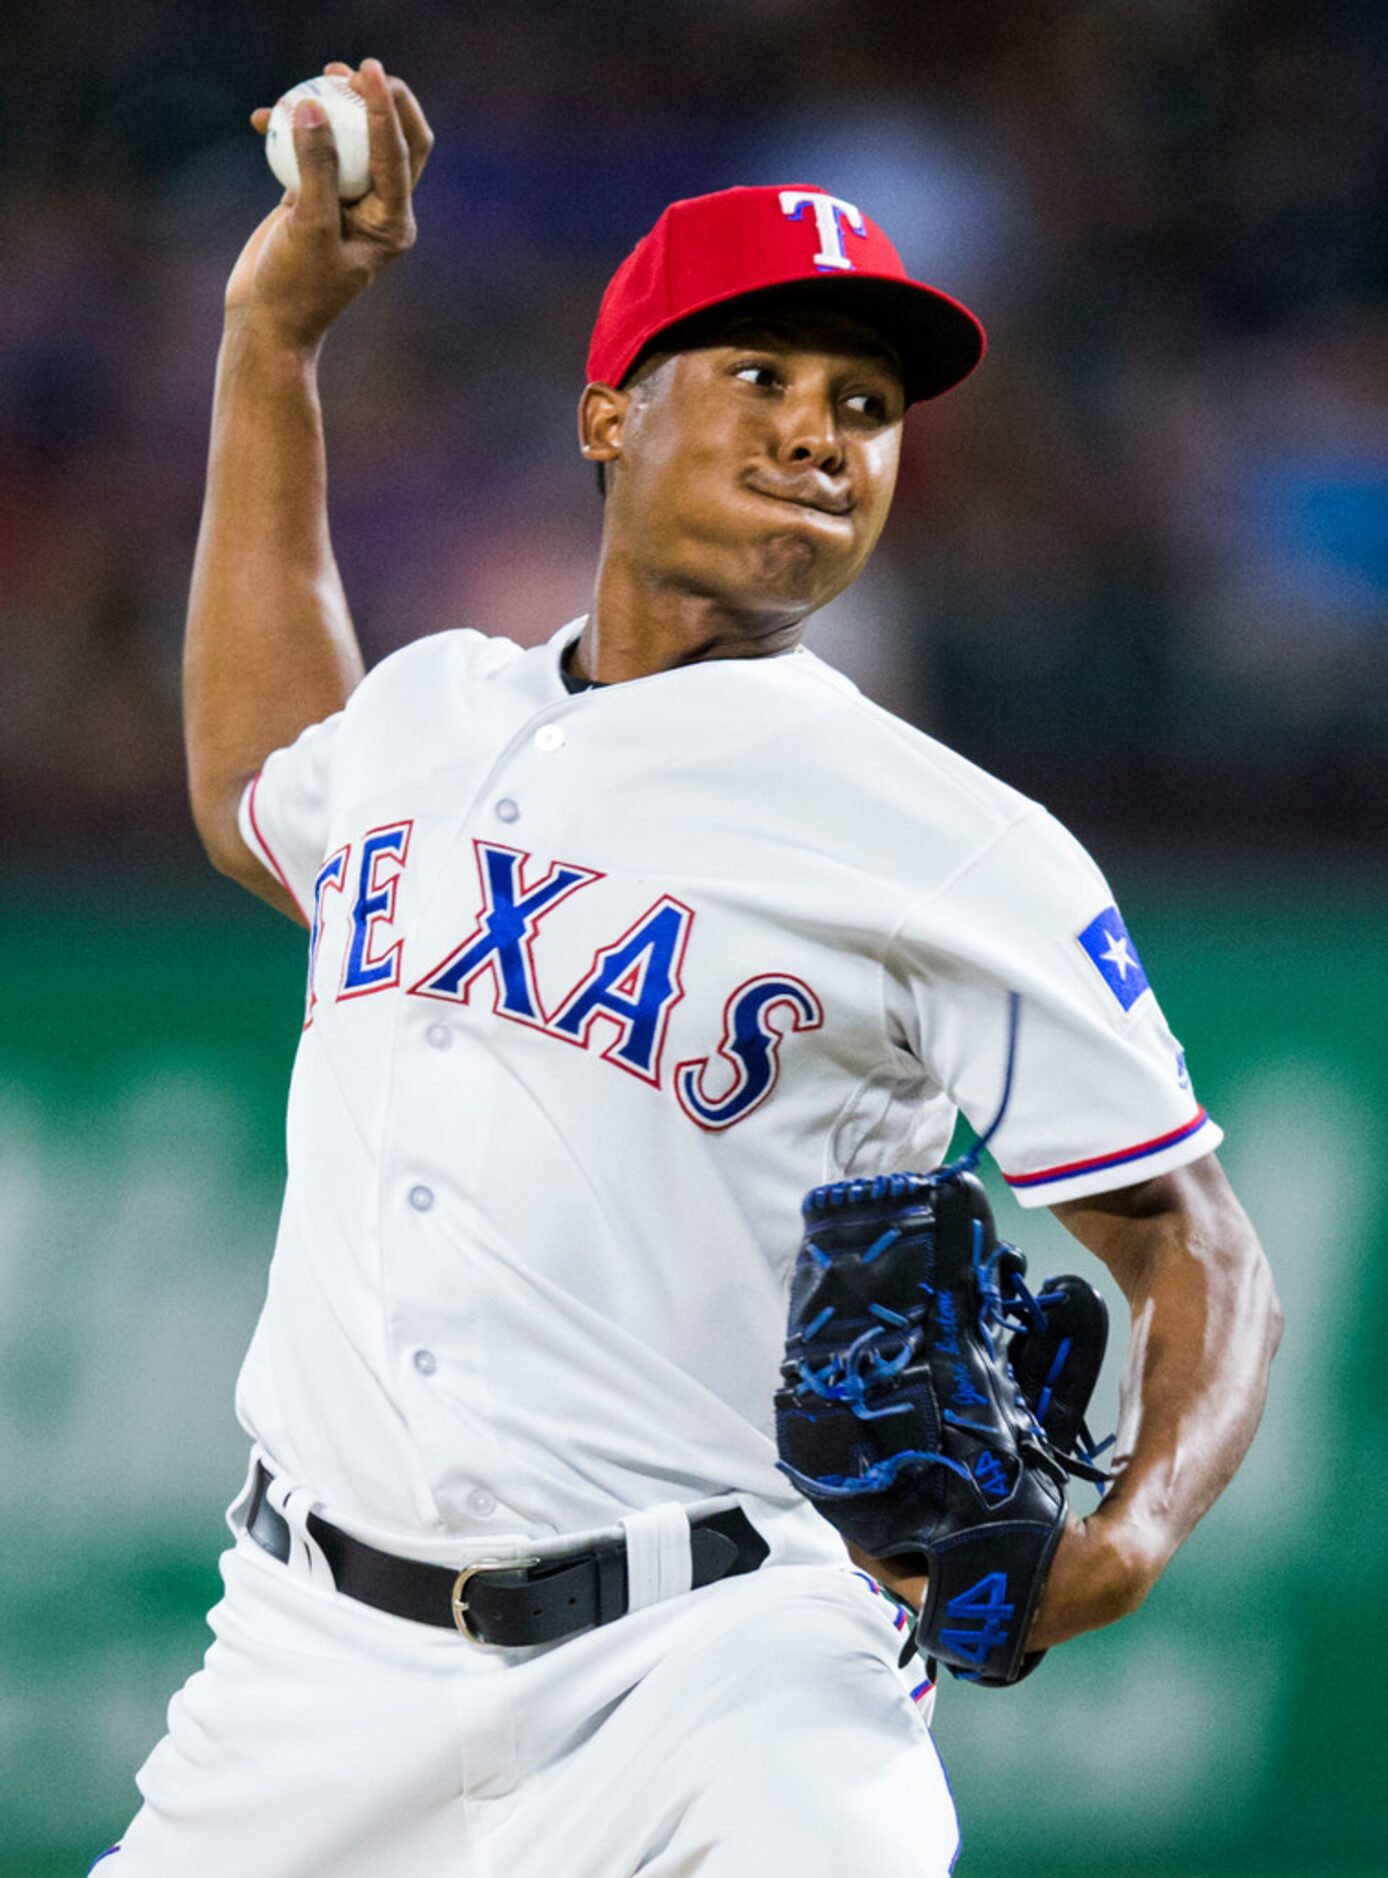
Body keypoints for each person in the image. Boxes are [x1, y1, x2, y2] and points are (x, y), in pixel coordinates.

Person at [102, 57, 1281, 1877]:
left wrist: (1120, 1544)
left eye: (868, 404)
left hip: (730, 1675)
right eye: (762, 376)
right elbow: (255, 781)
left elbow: (1195, 1241)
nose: (823, 432)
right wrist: (273, 349)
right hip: (308, 1671)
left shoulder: (945, 836)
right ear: (608, 417)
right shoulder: (430, 715)